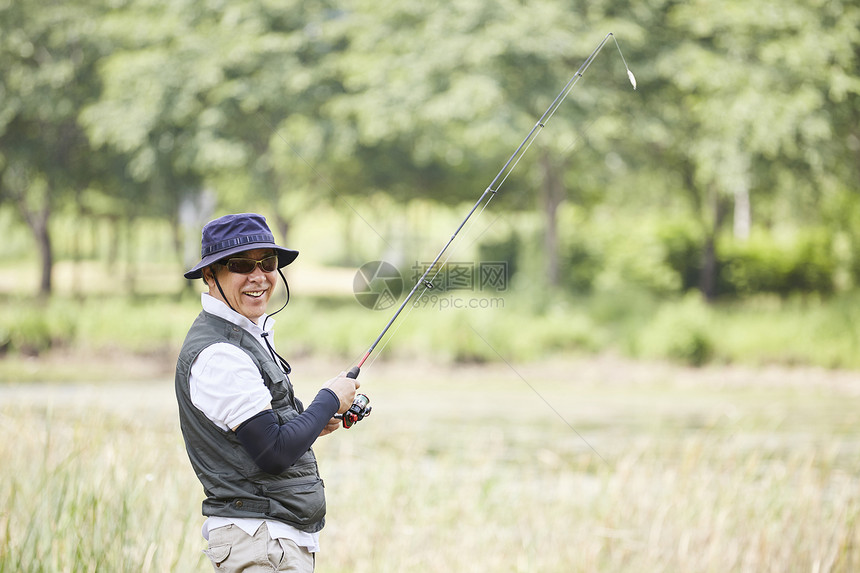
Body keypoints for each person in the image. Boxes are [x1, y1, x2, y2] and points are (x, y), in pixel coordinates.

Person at [175, 213, 359, 572]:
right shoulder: (220, 354)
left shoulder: (244, 336)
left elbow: (261, 436)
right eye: (242, 264)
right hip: (259, 543)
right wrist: (328, 399)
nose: (258, 276)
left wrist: (315, 419)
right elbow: (273, 453)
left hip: (270, 542)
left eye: (268, 263)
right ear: (210, 275)